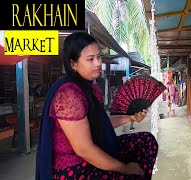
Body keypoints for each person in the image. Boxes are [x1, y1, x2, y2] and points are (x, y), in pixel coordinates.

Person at [36, 32, 158, 180]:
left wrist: (129, 117)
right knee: (128, 176)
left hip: (96, 148)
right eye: (90, 59)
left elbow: (101, 124)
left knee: (146, 142)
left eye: (99, 56)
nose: (98, 63)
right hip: (75, 169)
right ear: (73, 64)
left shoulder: (91, 88)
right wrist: (124, 168)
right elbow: (84, 150)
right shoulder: (68, 95)